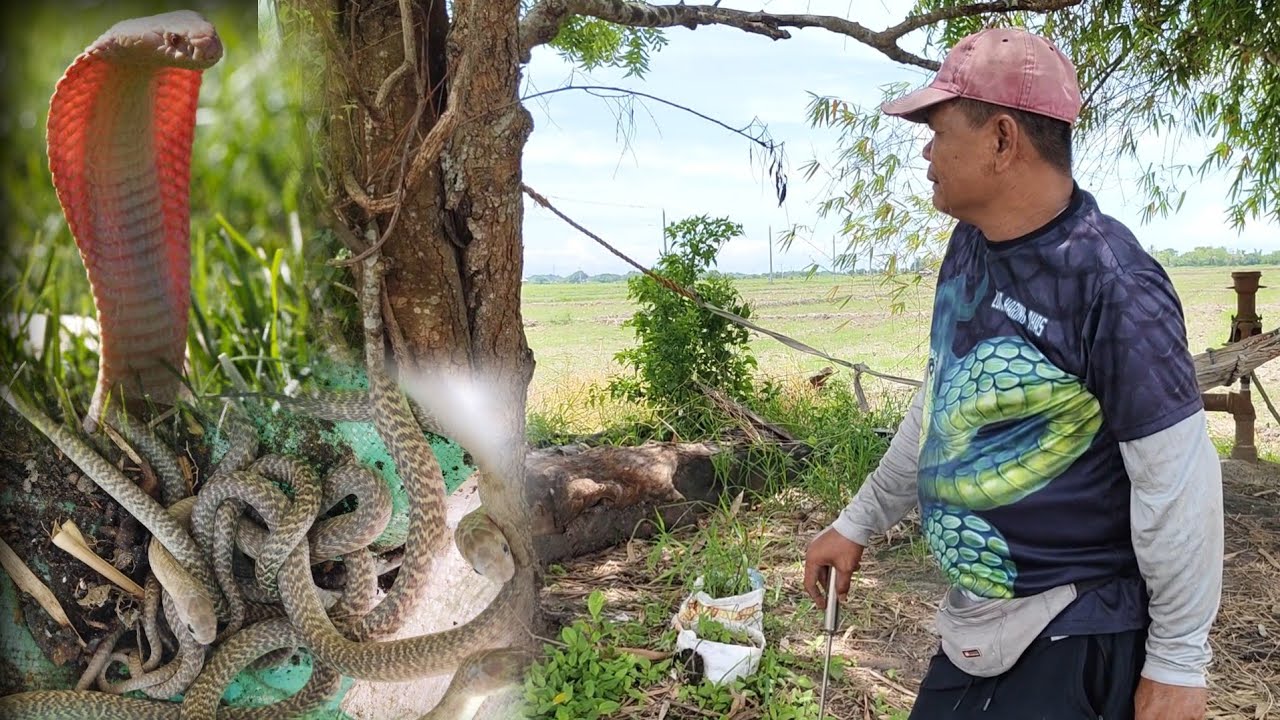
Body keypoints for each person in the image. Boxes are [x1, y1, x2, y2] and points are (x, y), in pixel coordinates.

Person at [802, 26, 1223, 720]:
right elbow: (941, 403)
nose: (926, 151)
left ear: (1002, 140)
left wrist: (1178, 662)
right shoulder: (970, 246)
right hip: (977, 618)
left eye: (937, 129)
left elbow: (1176, 480)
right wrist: (858, 521)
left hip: (1077, 626)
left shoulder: (1111, 283)